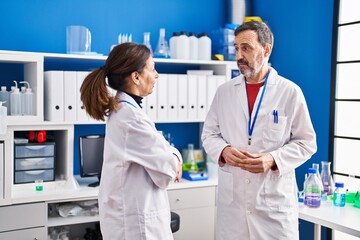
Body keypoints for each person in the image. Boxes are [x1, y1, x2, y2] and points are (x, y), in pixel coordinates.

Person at [201, 21, 317, 240]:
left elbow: (307, 142)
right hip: (233, 210)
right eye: (236, 48)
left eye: (246, 47)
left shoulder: (290, 92)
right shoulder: (224, 92)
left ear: (266, 49)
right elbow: (209, 134)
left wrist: (273, 159)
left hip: (273, 210)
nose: (239, 55)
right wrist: (223, 150)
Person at [80, 42, 183, 240]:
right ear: (136, 77)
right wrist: (175, 156)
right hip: (137, 226)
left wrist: (170, 154)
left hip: (132, 216)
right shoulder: (131, 118)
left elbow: (162, 157)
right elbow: (168, 171)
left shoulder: (125, 110)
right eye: (152, 69)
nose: (157, 75)